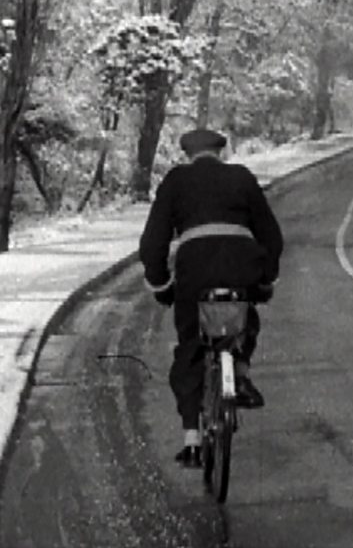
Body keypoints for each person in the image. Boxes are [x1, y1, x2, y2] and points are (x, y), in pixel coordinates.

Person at [139, 127, 284, 468]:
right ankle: (242, 374)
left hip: (195, 271)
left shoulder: (175, 181)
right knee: (245, 318)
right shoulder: (241, 177)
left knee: (191, 343)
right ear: (220, 151)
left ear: (188, 154)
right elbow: (271, 235)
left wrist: (160, 284)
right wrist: (266, 278)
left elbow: (153, 243)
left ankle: (191, 437)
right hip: (241, 265)